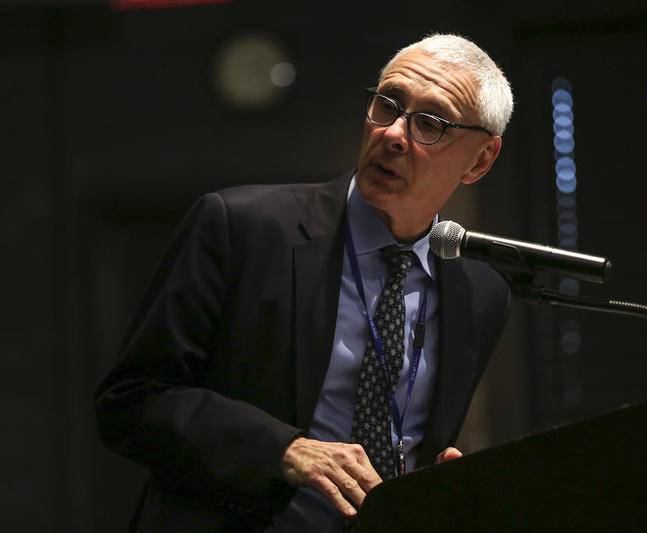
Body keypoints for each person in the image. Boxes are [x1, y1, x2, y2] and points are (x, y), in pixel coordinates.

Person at [95, 33, 514, 532]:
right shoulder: (242, 227)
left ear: (481, 160)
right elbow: (131, 401)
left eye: (430, 124)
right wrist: (284, 450)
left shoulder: (481, 293)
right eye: (388, 105)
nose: (394, 134)